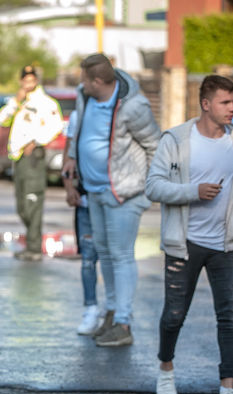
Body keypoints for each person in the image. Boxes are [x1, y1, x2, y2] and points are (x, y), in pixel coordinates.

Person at [145, 75, 233, 394]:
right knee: (174, 316)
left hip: (225, 245)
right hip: (184, 243)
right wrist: (192, 192)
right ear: (206, 104)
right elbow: (153, 187)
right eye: (225, 102)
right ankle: (165, 370)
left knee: (229, 316)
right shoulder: (178, 140)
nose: (231, 108)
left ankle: (227, 389)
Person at [61, 53, 160, 346]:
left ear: (99, 81)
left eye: (85, 80)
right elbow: (82, 133)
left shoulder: (134, 107)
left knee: (122, 256)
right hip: (94, 191)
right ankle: (112, 312)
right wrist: (72, 158)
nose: (81, 85)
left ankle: (124, 323)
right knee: (105, 254)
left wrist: (147, 190)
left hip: (123, 195)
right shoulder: (85, 96)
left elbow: (155, 146)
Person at [0, 65, 64, 261]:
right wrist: (16, 101)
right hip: (18, 157)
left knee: (33, 201)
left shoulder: (45, 102)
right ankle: (31, 242)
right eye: (25, 80)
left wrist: (36, 142)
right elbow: (2, 119)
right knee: (21, 205)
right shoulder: (19, 102)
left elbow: (56, 126)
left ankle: (34, 248)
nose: (28, 83)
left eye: (31, 80)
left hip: (33, 156)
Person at [62, 110, 103, 335]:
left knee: (111, 258)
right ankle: (91, 310)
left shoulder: (119, 113)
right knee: (88, 258)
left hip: (110, 200)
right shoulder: (78, 115)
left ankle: (115, 313)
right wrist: (69, 188)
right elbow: (67, 153)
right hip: (85, 199)